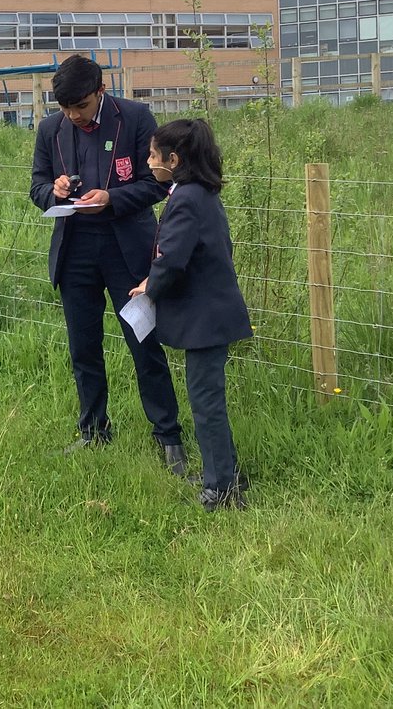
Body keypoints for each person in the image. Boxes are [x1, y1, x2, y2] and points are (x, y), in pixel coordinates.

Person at [30, 55, 186, 475]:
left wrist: (112, 198)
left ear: (100, 91)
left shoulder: (135, 119)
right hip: (74, 250)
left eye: (79, 106)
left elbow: (158, 183)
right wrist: (55, 191)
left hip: (126, 251)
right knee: (83, 347)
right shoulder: (50, 129)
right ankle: (93, 430)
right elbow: (37, 185)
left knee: (144, 344)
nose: (72, 116)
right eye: (64, 108)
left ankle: (168, 436)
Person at [130, 118, 253, 511]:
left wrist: (150, 285)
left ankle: (222, 488)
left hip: (206, 319)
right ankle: (226, 472)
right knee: (208, 397)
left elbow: (173, 258)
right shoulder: (200, 192)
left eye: (153, 155)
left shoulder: (185, 198)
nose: (148, 162)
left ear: (174, 158)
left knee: (205, 401)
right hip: (211, 313)